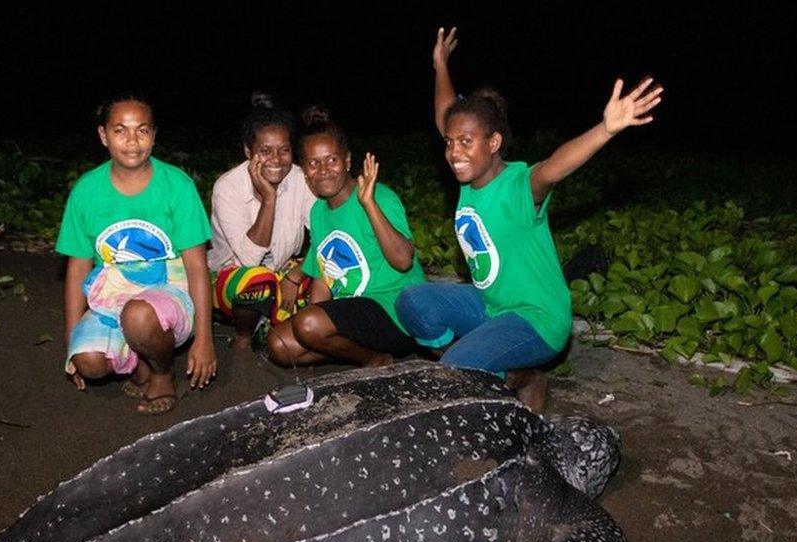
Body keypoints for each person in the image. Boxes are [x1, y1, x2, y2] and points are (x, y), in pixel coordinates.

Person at [396, 27, 663, 410]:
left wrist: (606, 129)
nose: (454, 151)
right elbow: (446, 115)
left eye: (465, 142)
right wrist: (440, 64)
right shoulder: (468, 172)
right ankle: (486, 368)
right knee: (412, 302)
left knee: (456, 371)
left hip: (537, 319)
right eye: (450, 142)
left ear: (493, 144)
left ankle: (519, 377)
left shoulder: (520, 185)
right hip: (492, 305)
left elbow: (554, 167)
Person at [56, 94, 216, 415]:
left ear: (154, 135)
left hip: (170, 292)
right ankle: (140, 361)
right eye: (120, 130)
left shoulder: (177, 187)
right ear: (103, 136)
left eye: (142, 130)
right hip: (112, 294)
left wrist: (205, 338)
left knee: (139, 316)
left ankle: (161, 374)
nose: (132, 141)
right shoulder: (87, 191)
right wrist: (71, 343)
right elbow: (77, 268)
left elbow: (198, 267)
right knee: (89, 361)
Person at [267, 107, 426, 367]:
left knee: (308, 324)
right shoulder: (318, 211)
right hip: (354, 314)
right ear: (304, 171)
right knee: (280, 345)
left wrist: (369, 204)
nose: (324, 170)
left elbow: (403, 261)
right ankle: (355, 350)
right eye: (313, 163)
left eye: (332, 160)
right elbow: (323, 277)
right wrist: (314, 319)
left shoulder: (380, 197)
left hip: (396, 312)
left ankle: (375, 360)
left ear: (348, 161)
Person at [208, 93, 317, 349]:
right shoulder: (228, 187)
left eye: (284, 150)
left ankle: (271, 323)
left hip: (280, 270)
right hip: (231, 275)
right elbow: (249, 259)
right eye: (265, 151)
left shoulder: (300, 180)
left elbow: (324, 234)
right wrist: (269, 198)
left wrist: (295, 275)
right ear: (249, 151)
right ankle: (245, 337)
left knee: (325, 274)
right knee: (257, 281)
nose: (276, 160)